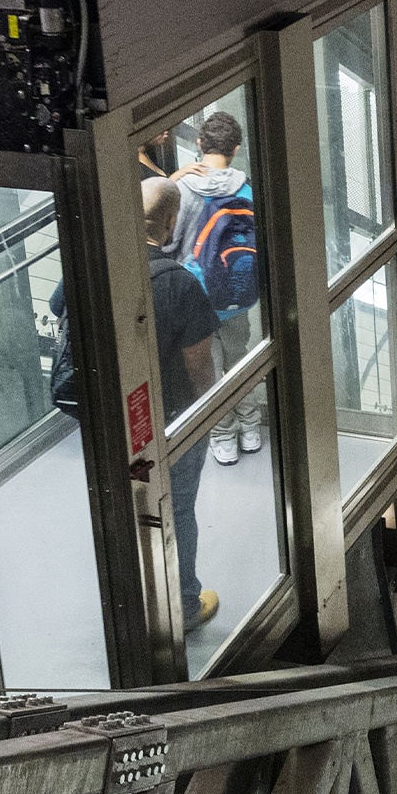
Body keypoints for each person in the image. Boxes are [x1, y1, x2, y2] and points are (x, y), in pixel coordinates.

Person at [143, 177, 221, 632]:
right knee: (178, 508)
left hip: (117, 418)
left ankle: (138, 603)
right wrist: (210, 411)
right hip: (172, 419)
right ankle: (185, 604)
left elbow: (59, 307)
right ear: (172, 222)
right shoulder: (180, 284)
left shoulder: (101, 263)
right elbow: (199, 364)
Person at [166, 111, 265, 465]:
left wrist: (172, 181)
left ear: (199, 144)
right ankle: (250, 429)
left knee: (208, 370)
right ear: (235, 149)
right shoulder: (247, 187)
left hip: (197, 296)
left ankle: (223, 437)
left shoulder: (182, 189)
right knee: (239, 360)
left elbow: (168, 242)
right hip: (237, 294)